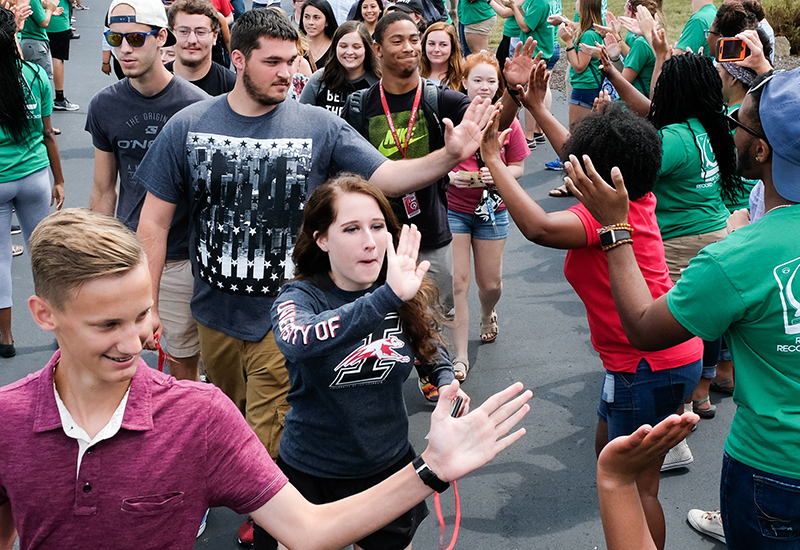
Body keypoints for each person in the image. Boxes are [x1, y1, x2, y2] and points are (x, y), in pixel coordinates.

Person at [134, 7, 498, 544]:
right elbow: (154, 223)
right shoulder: (188, 126)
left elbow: (389, 177)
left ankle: (278, 522)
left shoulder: (320, 126)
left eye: (292, 62)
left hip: (287, 312)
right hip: (214, 312)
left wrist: (449, 153)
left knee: (266, 433)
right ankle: (266, 509)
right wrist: (143, 305)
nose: (287, 73)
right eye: (273, 62)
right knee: (229, 427)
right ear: (238, 61)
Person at [0, 206, 532, 550]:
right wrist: (384, 298)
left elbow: (309, 530)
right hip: (312, 462)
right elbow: (300, 339)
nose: (132, 340)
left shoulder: (200, 416)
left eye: (142, 315)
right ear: (44, 315)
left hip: (384, 461)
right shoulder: (6, 421)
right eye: (106, 325)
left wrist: (433, 465)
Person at [565, 67, 800, 550]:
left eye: (742, 122)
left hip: (772, 470)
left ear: (762, 150)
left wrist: (615, 227)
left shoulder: (735, 260)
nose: (730, 128)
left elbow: (644, 329)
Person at [482, 76, 703, 549]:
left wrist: (493, 162)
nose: (571, 172)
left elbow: (539, 228)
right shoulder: (635, 194)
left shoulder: (596, 220)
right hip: (649, 360)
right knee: (607, 453)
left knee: (638, 484)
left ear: (597, 179)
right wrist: (540, 109)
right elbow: (583, 159)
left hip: (645, 366)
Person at [253, 175, 465, 549]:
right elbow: (298, 341)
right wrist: (385, 298)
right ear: (321, 239)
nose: (370, 242)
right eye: (351, 229)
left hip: (389, 471)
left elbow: (426, 342)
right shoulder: (299, 297)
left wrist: (446, 380)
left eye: (378, 227)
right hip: (311, 475)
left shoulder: (398, 286)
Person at [342, 13, 531, 321]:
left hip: (430, 230)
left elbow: (492, 125)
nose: (409, 47)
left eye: (414, 40)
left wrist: (512, 92)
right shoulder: (360, 105)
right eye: (397, 40)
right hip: (377, 237)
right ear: (377, 49)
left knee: (433, 320)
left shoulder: (439, 98)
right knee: (383, 321)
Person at [85, 0, 209, 382]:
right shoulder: (104, 105)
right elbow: (104, 189)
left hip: (184, 258)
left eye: (136, 38)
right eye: (115, 39)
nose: (125, 49)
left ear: (161, 38)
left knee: (182, 364)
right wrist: (94, 258)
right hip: (127, 255)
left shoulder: (197, 106)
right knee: (121, 362)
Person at [447, 50, 529, 380]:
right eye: (476, 80)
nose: (483, 86)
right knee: (458, 283)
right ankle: (461, 356)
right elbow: (442, 159)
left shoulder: (505, 120)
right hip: (455, 208)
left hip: (492, 210)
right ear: (463, 83)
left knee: (490, 285)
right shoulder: (455, 116)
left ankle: (488, 310)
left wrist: (501, 174)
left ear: (498, 86)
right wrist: (449, 175)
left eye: (490, 81)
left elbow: (519, 166)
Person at [0, 5, 65, 358]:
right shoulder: (35, 76)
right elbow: (48, 134)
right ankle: (61, 329)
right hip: (35, 175)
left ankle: (6, 338)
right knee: (45, 256)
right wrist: (59, 179)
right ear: (14, 38)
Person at [299, 21, 379, 117]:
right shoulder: (319, 79)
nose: (349, 52)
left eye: (356, 47)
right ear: (335, 48)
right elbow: (301, 118)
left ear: (367, 49)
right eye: (343, 46)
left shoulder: (377, 83)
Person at [166, 0, 236, 96]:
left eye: (201, 32)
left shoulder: (233, 87)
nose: (192, 40)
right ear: (171, 33)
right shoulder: (152, 83)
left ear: (215, 36)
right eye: (183, 31)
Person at [47, 0, 78, 110]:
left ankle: (38, 96)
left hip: (40, 19)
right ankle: (59, 98)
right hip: (58, 22)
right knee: (58, 58)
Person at [419, 21, 464, 90]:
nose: (436, 49)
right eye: (431, 44)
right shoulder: (413, 74)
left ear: (452, 47)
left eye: (443, 45)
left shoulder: (463, 75)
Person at [300, 0, 337, 69]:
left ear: (327, 22)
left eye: (316, 17)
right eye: (306, 17)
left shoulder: (336, 47)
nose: (310, 22)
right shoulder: (296, 45)